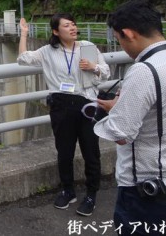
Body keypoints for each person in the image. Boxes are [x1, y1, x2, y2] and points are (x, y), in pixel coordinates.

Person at [94, 0, 166, 234]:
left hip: (148, 192)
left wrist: (113, 110)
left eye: (119, 39)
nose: (122, 46)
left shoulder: (144, 70)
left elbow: (121, 133)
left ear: (128, 34)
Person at [17, 13, 110, 216]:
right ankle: (68, 190)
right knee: (64, 152)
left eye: (73, 24)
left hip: (87, 104)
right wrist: (23, 34)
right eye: (67, 25)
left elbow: (106, 72)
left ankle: (91, 194)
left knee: (90, 151)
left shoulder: (88, 47)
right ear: (56, 31)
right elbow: (23, 60)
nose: (73, 28)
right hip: (61, 105)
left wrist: (93, 67)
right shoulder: (48, 51)